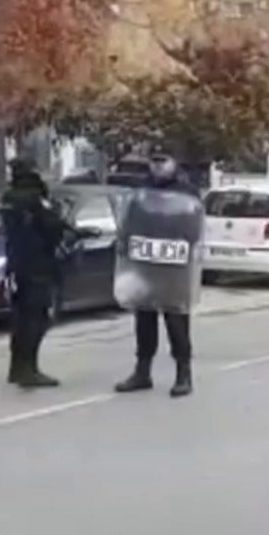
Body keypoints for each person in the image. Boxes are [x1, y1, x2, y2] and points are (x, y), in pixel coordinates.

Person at [114, 153, 201, 398]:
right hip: (146, 267)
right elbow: (129, 223)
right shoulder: (142, 191)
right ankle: (142, 372)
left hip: (174, 270)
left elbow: (194, 227)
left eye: (164, 160)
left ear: (174, 163)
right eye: (155, 160)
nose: (158, 166)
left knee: (177, 323)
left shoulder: (186, 192)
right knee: (144, 321)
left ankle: (183, 374)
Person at [0, 157, 73, 389]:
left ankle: (16, 368)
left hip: (17, 263)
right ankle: (29, 369)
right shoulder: (35, 199)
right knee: (36, 318)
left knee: (20, 318)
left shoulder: (9, 197)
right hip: (38, 264)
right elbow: (52, 227)